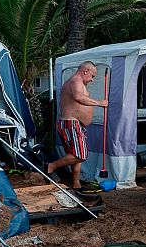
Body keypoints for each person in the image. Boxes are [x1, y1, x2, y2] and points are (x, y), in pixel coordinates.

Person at [46, 61, 108, 189]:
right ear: (86, 71)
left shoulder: (78, 82)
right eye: (92, 76)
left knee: (75, 155)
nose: (92, 80)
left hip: (75, 124)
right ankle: (51, 166)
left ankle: (76, 183)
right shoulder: (76, 81)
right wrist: (99, 102)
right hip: (71, 123)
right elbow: (79, 97)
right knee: (80, 155)